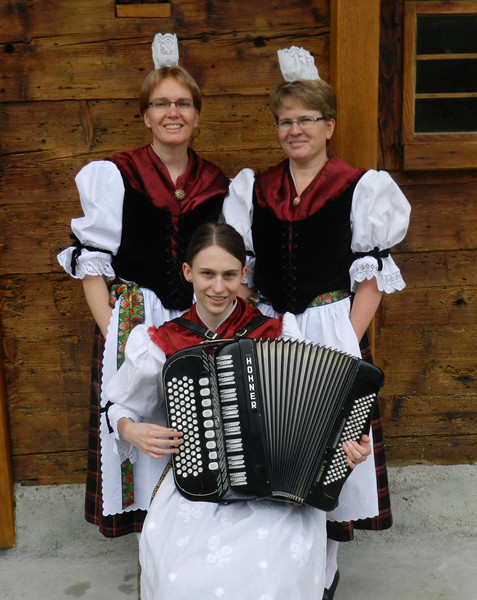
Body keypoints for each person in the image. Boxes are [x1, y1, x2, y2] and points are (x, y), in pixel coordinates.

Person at [221, 46, 411, 599]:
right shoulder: (254, 189)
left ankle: (321, 576)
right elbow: (242, 270)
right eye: (286, 120)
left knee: (326, 455)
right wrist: (255, 320)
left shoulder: (360, 187)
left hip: (332, 325)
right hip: (271, 329)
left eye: (306, 119)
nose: (295, 129)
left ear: (329, 125)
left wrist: (345, 339)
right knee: (276, 449)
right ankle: (280, 570)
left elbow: (371, 278)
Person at [103, 222, 372, 600]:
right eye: (207, 274)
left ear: (243, 274)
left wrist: (347, 450)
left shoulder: (276, 333)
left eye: (229, 275)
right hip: (195, 486)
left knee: (269, 579)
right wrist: (132, 430)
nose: (217, 287)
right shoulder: (162, 341)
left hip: (277, 495)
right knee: (180, 582)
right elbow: (118, 405)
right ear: (188, 273)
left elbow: (320, 418)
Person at [57, 33, 229, 537]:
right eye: (161, 103)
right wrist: (118, 334)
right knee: (139, 424)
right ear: (146, 115)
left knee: (194, 430)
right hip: (134, 319)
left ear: (196, 115)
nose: (172, 112)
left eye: (182, 103)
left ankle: (192, 540)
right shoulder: (116, 174)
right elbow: (94, 267)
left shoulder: (219, 183)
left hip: (195, 321)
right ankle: (151, 551)